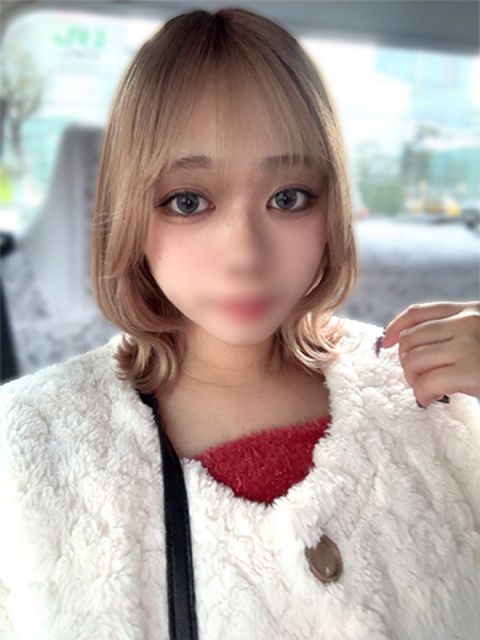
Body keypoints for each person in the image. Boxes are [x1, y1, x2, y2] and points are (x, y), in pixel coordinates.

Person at [1, 8, 479, 640]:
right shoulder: (25, 446)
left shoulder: (432, 394)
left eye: (288, 198)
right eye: (188, 202)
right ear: (131, 212)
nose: (246, 255)